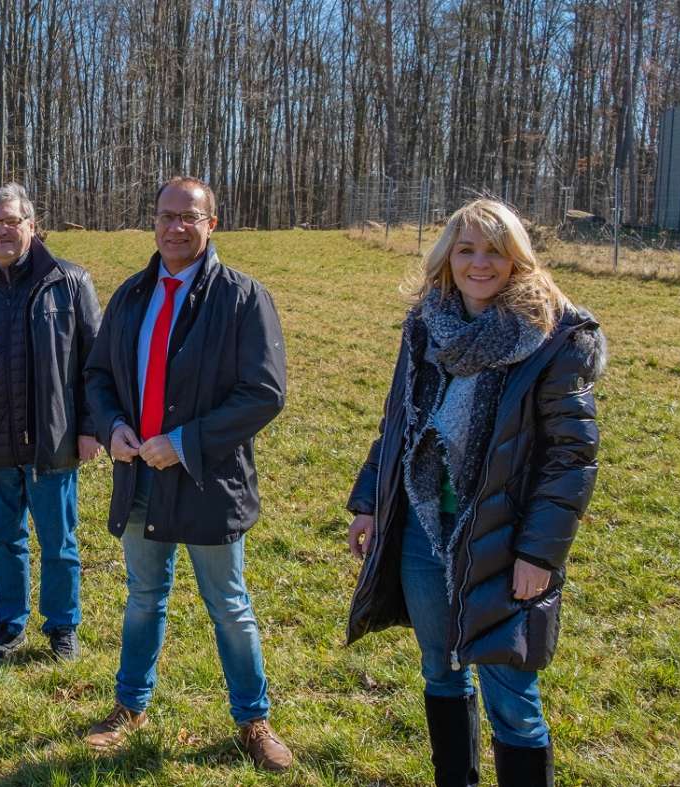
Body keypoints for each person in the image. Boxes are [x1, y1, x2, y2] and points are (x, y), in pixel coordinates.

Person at [344, 199, 605, 786]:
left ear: (517, 260)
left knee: (511, 696)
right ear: (447, 258)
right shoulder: (426, 324)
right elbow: (398, 422)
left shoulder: (554, 337)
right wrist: (369, 504)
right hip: (422, 527)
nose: (479, 264)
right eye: (466, 250)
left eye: (495, 251)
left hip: (504, 540)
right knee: (440, 670)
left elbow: (571, 458)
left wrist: (539, 554)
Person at [82, 176, 292, 771]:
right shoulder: (131, 295)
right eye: (166, 215)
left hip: (208, 478)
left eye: (189, 217)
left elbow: (265, 393)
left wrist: (184, 442)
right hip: (139, 475)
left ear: (211, 224)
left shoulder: (242, 297)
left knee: (229, 604)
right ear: (153, 221)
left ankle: (253, 721)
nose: (176, 227)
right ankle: (130, 706)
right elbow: (98, 375)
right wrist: (112, 425)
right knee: (143, 597)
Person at [0, 182, 101, 663]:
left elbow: (97, 363)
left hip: (53, 441)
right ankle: (9, 625)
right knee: (3, 541)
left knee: (59, 544)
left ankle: (62, 627)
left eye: (10, 222)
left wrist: (90, 426)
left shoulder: (69, 281)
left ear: (31, 225)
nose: (0, 232)